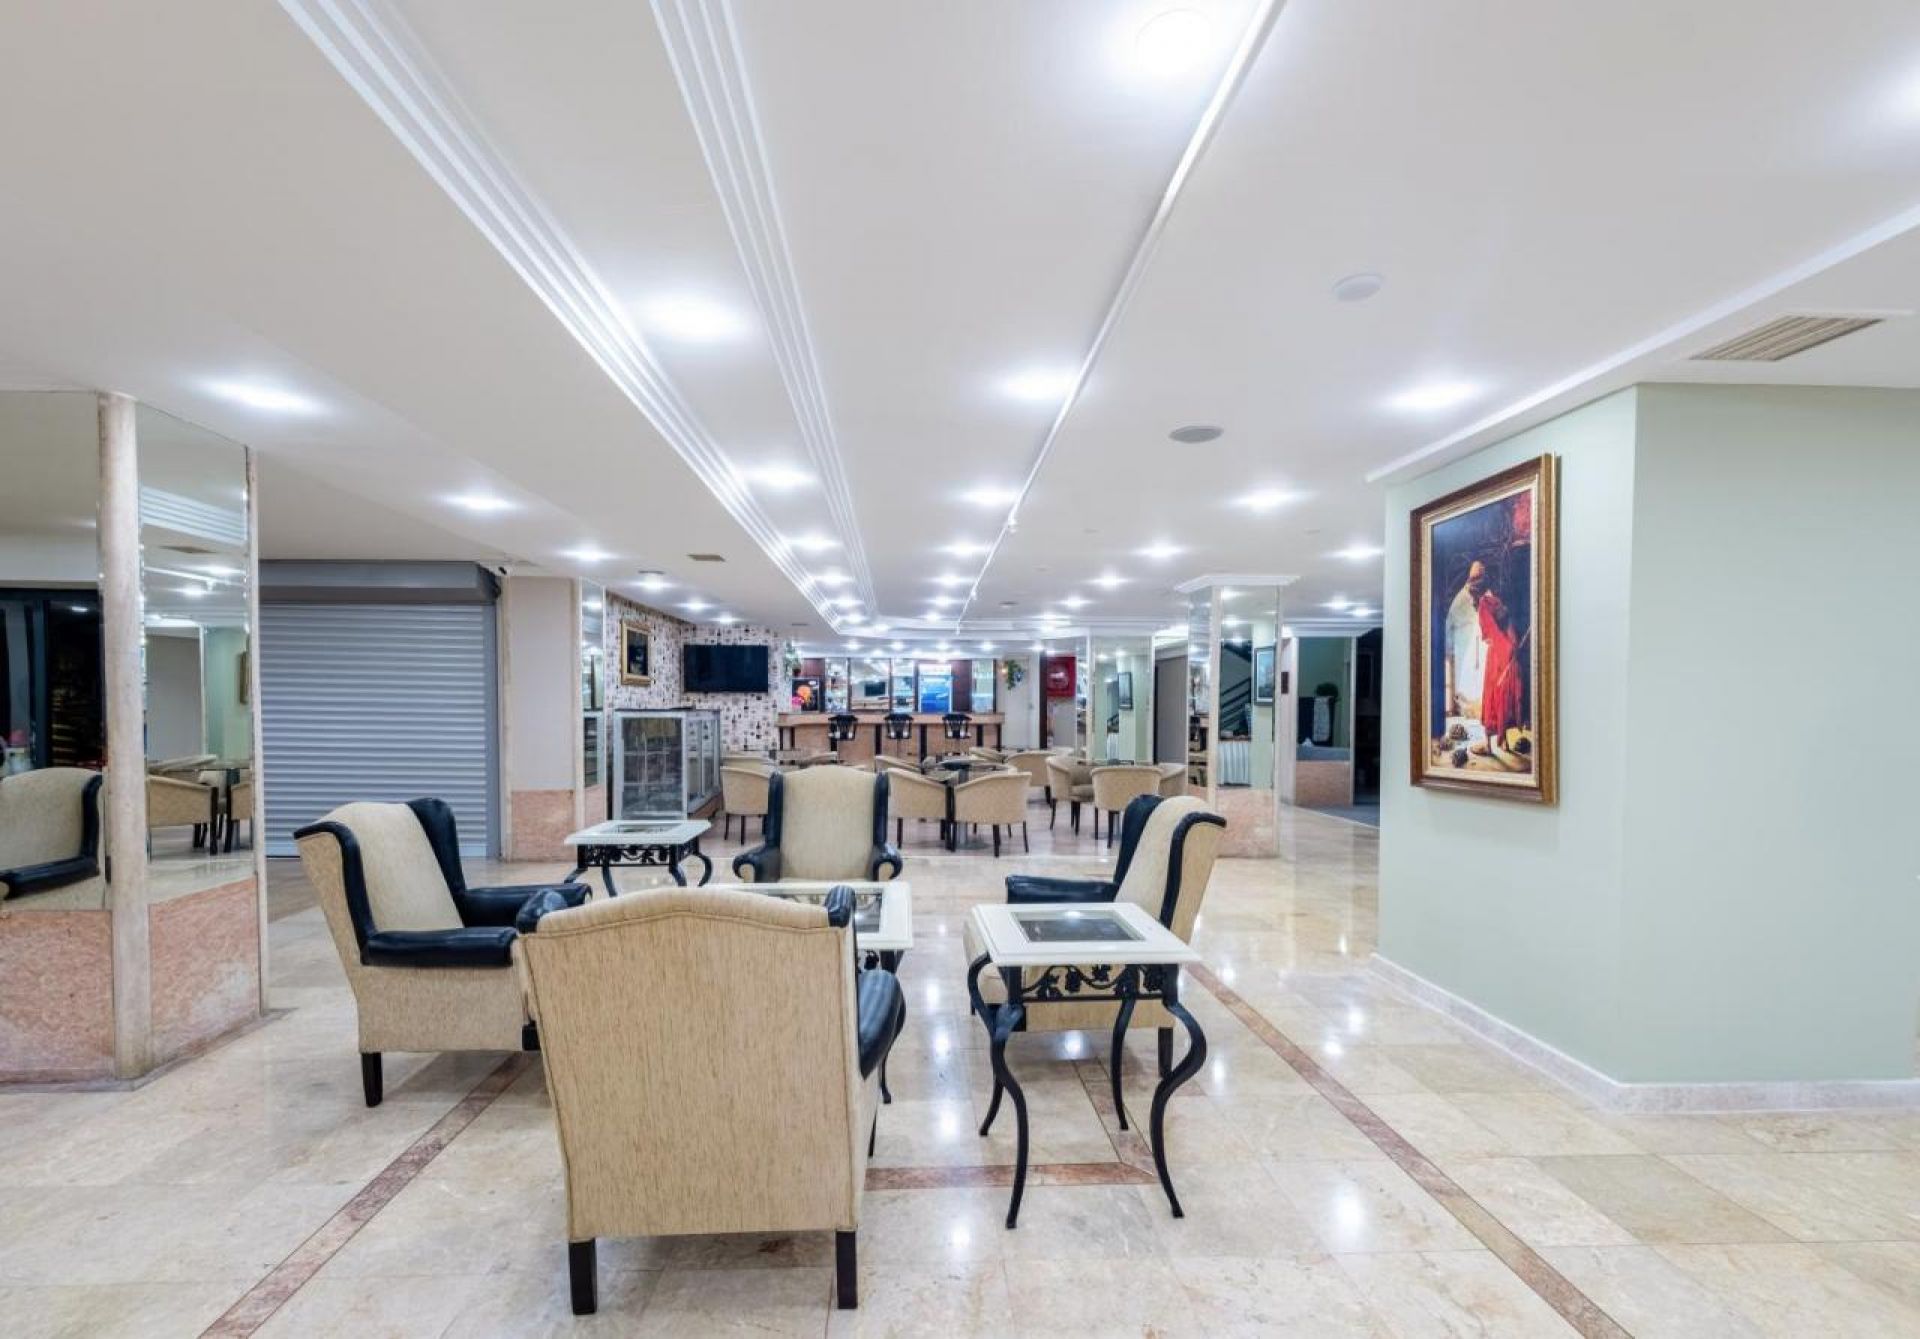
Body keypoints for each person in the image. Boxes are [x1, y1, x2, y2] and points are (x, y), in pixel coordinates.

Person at [1477, 586, 1525, 741]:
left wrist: (1513, 645)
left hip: (1508, 652)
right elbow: (1491, 630)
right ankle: (1490, 739)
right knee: (1494, 694)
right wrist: (1507, 647)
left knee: (1508, 694)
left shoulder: (1503, 602)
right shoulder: (1484, 603)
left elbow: (1509, 627)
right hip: (1497, 654)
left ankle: (1504, 736)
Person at [1443, 560, 1487, 718]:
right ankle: (1465, 708)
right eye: (1475, 579)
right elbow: (1450, 624)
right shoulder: (1460, 599)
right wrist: (1449, 650)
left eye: (1480, 579)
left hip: (1481, 646)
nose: (1477, 584)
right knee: (1466, 679)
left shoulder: (1485, 596)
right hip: (1464, 646)